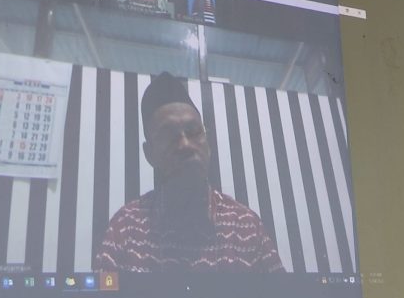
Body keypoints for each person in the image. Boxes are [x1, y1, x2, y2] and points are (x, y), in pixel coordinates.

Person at [94, 72, 284, 272]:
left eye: (194, 132)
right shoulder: (125, 228)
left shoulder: (245, 226)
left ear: (208, 144)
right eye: (168, 135)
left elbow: (283, 293)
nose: (185, 144)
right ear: (149, 154)